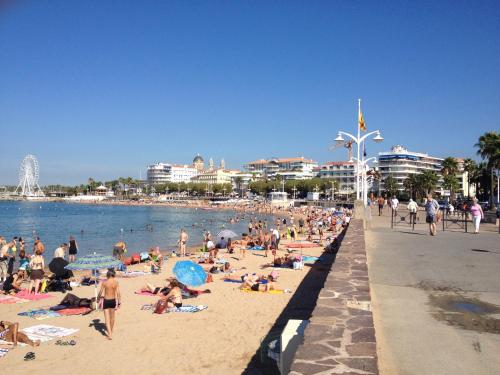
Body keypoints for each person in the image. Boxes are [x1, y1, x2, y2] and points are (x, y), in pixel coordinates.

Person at [97, 269, 121, 340]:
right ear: (113, 275)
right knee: (112, 317)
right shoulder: (116, 282)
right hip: (113, 300)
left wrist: (98, 299)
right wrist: (119, 302)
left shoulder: (104, 282)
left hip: (106, 300)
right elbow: (118, 293)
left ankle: (110, 334)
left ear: (107, 275)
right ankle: (111, 331)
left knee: (107, 318)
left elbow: (100, 292)